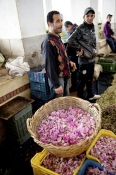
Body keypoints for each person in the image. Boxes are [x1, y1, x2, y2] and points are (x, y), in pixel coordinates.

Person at [67, 7, 101, 101]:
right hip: (84, 61)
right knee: (82, 81)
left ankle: (90, 95)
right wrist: (78, 48)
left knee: (90, 79)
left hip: (91, 59)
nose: (89, 18)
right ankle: (80, 99)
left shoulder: (92, 27)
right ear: (84, 17)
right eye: (87, 16)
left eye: (91, 16)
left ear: (93, 16)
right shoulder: (80, 28)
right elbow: (70, 40)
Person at [41, 11, 76, 99]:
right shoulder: (48, 42)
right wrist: (56, 85)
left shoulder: (57, 38)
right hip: (57, 79)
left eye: (61, 20)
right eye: (57, 21)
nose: (61, 24)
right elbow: (49, 66)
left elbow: (60, 56)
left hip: (64, 76)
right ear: (50, 24)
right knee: (58, 108)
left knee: (66, 103)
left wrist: (69, 62)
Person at [64, 21, 78, 92]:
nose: (66, 31)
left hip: (76, 54)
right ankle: (78, 84)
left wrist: (66, 53)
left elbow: (70, 44)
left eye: (66, 29)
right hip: (78, 53)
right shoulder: (77, 28)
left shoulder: (74, 31)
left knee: (74, 70)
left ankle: (75, 86)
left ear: (69, 26)